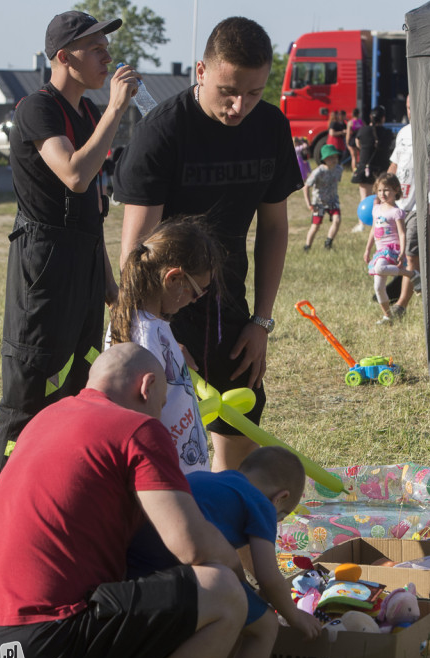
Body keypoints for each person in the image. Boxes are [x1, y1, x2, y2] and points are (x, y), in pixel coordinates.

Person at [0, 343, 246, 658]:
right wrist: (240, 574)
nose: (159, 416)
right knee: (224, 594)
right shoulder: (138, 428)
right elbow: (190, 544)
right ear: (146, 387)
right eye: (160, 406)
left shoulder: (44, 419)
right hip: (39, 642)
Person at [114, 16, 303, 472]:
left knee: (237, 443)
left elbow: (275, 228)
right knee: (165, 452)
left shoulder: (271, 127)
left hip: (231, 311)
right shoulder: (162, 132)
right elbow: (135, 254)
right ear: (201, 71)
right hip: (164, 310)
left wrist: (261, 321)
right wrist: (159, 337)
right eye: (228, 91)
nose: (239, 106)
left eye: (254, 93)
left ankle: (226, 538)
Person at [0, 10, 139, 495]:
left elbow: (92, 202)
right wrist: (116, 111)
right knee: (29, 394)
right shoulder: (38, 108)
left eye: (106, 47)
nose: (107, 57)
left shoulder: (88, 113)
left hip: (82, 267)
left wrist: (109, 285)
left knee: (75, 390)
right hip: (45, 268)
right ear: (63, 57)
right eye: (95, 48)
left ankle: (52, 498)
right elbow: (73, 173)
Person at [189, 446, 322, 658]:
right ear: (281, 497)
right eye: (282, 516)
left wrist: (246, 590)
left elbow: (224, 557)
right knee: (266, 626)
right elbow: (268, 577)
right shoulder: (261, 503)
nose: (276, 520)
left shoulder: (215, 482)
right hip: (187, 580)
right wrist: (295, 616)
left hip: (147, 565)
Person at [108, 216, 222, 473]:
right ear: (173, 279)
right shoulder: (144, 338)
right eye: (197, 292)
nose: (196, 301)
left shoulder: (149, 326)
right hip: (168, 481)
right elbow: (139, 424)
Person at [387, 94, 430, 315]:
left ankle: (401, 305)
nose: (410, 112)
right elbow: (394, 166)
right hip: (402, 204)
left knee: (412, 255)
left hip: (426, 206)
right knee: (420, 254)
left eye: (414, 107)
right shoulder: (404, 132)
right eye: (408, 107)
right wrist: (383, 194)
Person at [364, 173, 419, 324]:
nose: (383, 194)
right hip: (379, 251)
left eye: (387, 190)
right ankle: (388, 316)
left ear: (396, 191)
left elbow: (402, 233)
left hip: (392, 250)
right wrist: (368, 249)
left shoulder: (397, 212)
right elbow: (373, 230)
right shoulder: (376, 209)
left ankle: (410, 274)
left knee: (380, 268)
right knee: (378, 287)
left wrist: (402, 252)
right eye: (380, 190)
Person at [350, 106, 393, 233]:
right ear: (383, 118)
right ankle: (381, 222)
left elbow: (358, 144)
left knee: (364, 197)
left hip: (365, 168)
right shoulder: (387, 132)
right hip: (382, 170)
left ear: (370, 117)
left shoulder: (362, 131)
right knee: (382, 198)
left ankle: (361, 223)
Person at [303, 143, 343, 251]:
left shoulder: (339, 169)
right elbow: (306, 186)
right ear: (324, 159)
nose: (334, 160)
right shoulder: (318, 172)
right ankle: (307, 246)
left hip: (333, 201)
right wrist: (309, 204)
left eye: (335, 157)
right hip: (319, 203)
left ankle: (328, 242)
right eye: (330, 158)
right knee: (315, 226)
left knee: (337, 220)